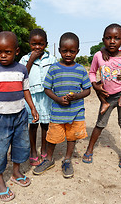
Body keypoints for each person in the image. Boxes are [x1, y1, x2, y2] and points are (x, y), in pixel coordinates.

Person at [0, 31, 39, 202]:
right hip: (0, 118)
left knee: (21, 145)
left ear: (16, 51)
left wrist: (33, 108)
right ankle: (0, 179)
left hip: (20, 115)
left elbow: (26, 90)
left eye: (7, 52)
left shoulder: (22, 70)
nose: (2, 55)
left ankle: (16, 172)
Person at [33, 32, 91, 178]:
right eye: (65, 51)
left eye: (72, 51)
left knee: (72, 137)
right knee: (52, 137)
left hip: (76, 112)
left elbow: (88, 90)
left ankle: (67, 160)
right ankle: (49, 159)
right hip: (58, 111)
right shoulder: (54, 69)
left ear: (77, 51)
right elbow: (47, 88)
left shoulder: (80, 70)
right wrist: (58, 99)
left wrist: (76, 96)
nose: (68, 54)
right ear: (59, 50)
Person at [82, 23, 121, 169]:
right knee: (100, 124)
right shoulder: (99, 55)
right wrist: (95, 85)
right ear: (103, 39)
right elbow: (92, 72)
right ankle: (89, 149)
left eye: (116, 38)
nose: (112, 41)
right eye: (108, 38)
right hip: (106, 97)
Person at [19, 28, 57, 166]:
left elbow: (55, 76)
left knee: (46, 124)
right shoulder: (24, 59)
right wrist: (31, 59)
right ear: (29, 44)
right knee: (33, 125)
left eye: (40, 44)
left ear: (46, 44)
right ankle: (33, 150)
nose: (37, 47)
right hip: (32, 97)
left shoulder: (52, 59)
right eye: (34, 44)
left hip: (47, 96)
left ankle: (44, 148)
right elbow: (22, 75)